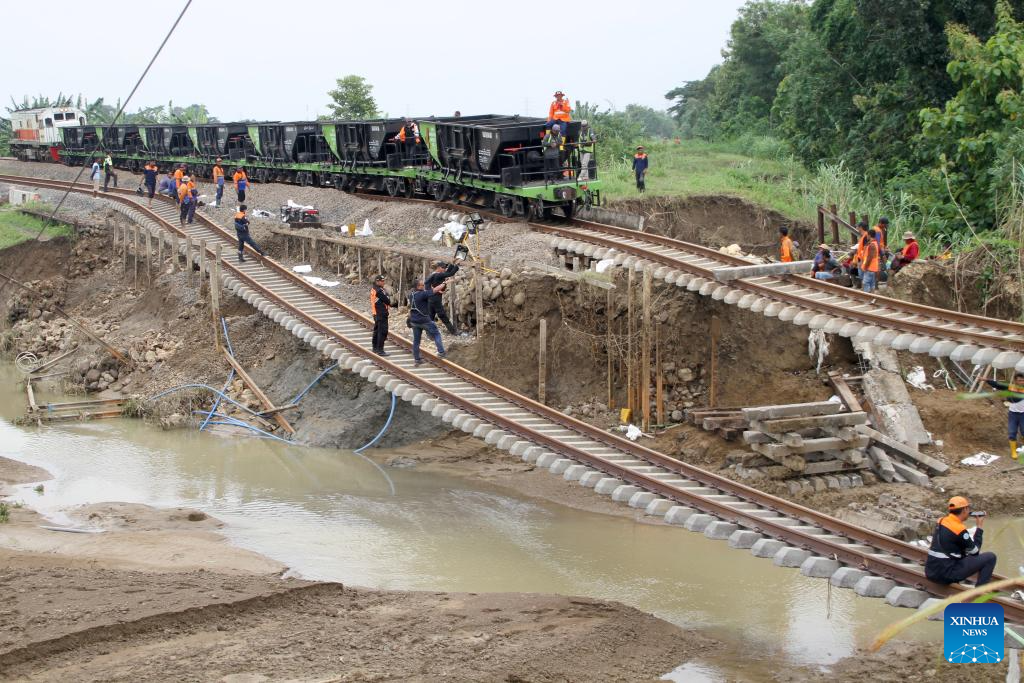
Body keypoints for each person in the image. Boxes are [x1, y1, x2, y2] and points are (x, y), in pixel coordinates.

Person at [924, 496, 997, 587]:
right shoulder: (959, 529)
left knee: (962, 553)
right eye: (968, 508)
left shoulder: (941, 521)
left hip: (930, 572)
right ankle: (980, 591)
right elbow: (975, 552)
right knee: (990, 557)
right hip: (945, 576)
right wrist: (979, 527)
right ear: (965, 510)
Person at [984, 371, 1024, 460]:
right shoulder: (1011, 387)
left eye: (1023, 380)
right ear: (1015, 381)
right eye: (1019, 380)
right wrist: (986, 380)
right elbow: (998, 385)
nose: (1021, 382)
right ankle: (1013, 451)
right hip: (1013, 414)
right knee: (1012, 432)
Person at [408, 278, 446, 366]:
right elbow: (435, 290)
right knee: (436, 334)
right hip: (424, 320)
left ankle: (417, 359)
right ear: (418, 286)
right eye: (422, 285)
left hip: (414, 321)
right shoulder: (422, 294)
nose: (424, 286)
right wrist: (444, 283)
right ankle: (441, 352)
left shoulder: (411, 294)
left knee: (416, 341)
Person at [425, 260, 459, 335]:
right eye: (443, 267)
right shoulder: (438, 275)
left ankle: (428, 332)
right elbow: (450, 273)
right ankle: (454, 332)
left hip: (431, 298)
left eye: (445, 267)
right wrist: (456, 265)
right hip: (436, 299)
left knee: (431, 316)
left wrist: (452, 264)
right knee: (442, 316)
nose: (444, 269)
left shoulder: (434, 274)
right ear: (439, 268)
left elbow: (447, 273)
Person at [370, 275, 391, 356]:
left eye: (383, 281)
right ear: (377, 281)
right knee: (382, 331)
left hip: (376, 313)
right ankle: (380, 350)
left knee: (377, 331)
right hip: (381, 313)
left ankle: (375, 348)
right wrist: (387, 296)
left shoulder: (374, 289)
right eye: (382, 281)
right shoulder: (379, 291)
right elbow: (387, 301)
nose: (383, 282)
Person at [860, 227, 881, 293]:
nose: (867, 237)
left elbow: (869, 257)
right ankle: (872, 297)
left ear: (869, 235)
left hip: (869, 268)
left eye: (867, 235)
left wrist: (865, 267)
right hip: (873, 268)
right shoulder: (875, 243)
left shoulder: (872, 245)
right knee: (872, 284)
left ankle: (867, 297)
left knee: (865, 283)